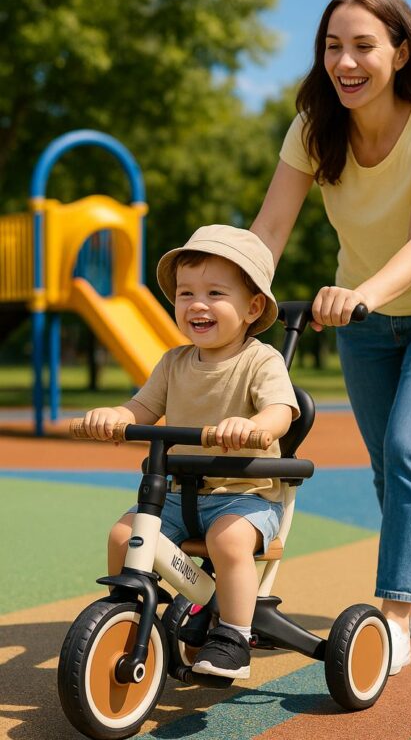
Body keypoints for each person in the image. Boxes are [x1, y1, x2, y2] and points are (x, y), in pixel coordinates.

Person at [251, 0, 411, 675]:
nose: (344, 62)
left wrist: (358, 294)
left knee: (409, 443)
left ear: (399, 51)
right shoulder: (311, 127)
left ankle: (390, 616)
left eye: (362, 45)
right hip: (364, 320)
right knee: (392, 469)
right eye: (332, 46)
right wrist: (233, 298)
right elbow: (270, 227)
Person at [80, 225, 299, 679]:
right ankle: (131, 614)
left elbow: (281, 411)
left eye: (215, 292)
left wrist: (253, 426)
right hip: (181, 494)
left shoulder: (261, 361)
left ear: (252, 306)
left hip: (246, 498)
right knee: (124, 535)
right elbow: (141, 408)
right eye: (185, 293)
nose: (197, 304)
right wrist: (117, 416)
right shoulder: (173, 362)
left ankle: (233, 635)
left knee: (227, 540)